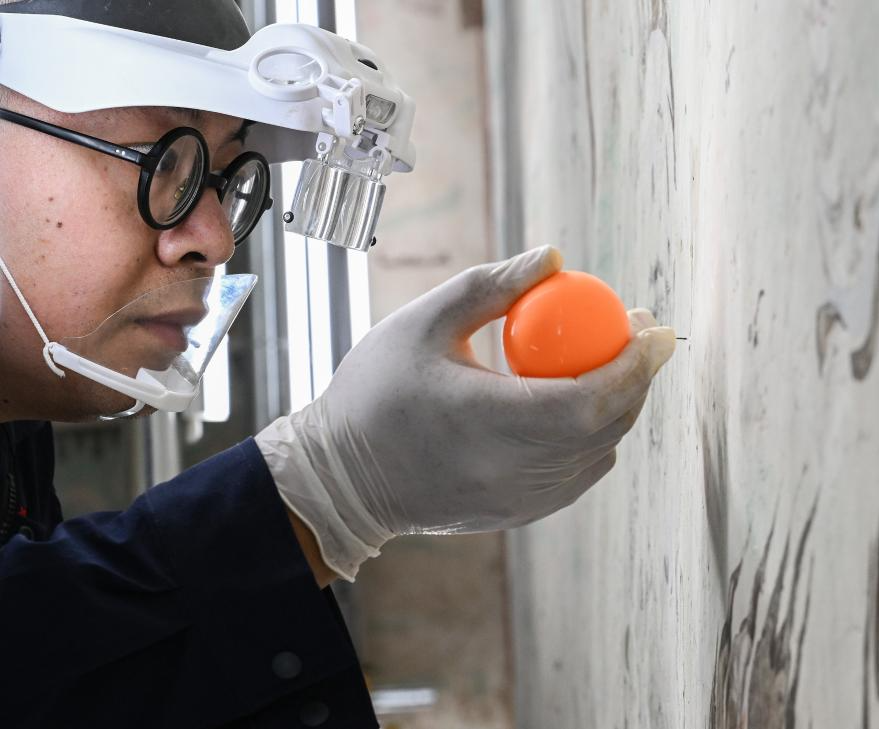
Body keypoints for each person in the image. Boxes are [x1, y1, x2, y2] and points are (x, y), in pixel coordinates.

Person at [0, 1, 677, 726]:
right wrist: (324, 488)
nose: (217, 239)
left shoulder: (20, 437)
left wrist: (327, 496)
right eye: (165, 162)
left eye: (225, 179)